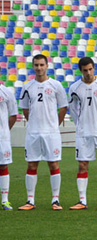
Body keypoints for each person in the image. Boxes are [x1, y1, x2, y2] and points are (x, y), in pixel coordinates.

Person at [18, 54, 68, 211]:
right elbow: (25, 108)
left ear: (47, 66)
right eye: (36, 65)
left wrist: (54, 124)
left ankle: (55, 200)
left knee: (53, 164)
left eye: (41, 65)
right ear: (33, 66)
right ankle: (30, 200)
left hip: (51, 133)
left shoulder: (56, 85)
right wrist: (33, 122)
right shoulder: (27, 87)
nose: (39, 68)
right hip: (33, 132)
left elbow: (63, 107)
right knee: (32, 164)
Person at [67, 57, 97, 210]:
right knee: (82, 165)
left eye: (90, 69)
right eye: (84, 70)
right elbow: (72, 108)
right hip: (84, 133)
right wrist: (80, 124)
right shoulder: (75, 87)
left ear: (94, 68)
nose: (88, 73)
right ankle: (82, 200)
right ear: (80, 71)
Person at [0, 79, 18, 210]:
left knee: (3, 165)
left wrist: (5, 130)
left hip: (2, 137)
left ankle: (5, 200)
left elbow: (13, 114)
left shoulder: (6, 92)